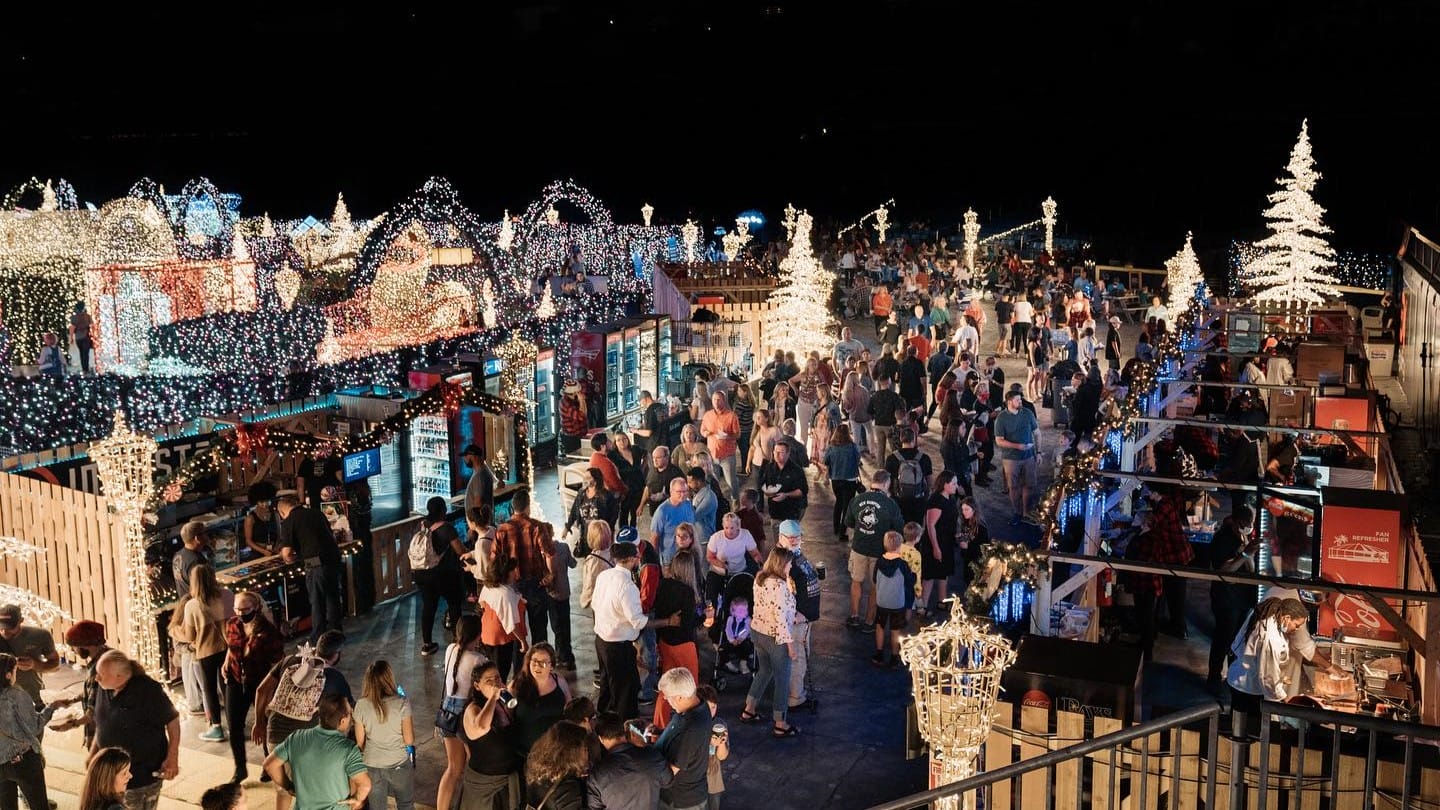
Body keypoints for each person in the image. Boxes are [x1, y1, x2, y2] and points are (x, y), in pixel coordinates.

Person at [592, 542, 682, 723]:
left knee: (607, 685)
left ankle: (603, 718)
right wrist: (668, 621)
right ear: (632, 559)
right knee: (625, 691)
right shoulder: (628, 587)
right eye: (637, 557)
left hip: (601, 641)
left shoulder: (604, 575)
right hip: (618, 647)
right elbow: (639, 621)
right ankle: (624, 726)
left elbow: (594, 604)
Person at [93, 651, 180, 810]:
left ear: (119, 676)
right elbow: (102, 722)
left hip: (141, 774)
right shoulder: (104, 686)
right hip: (110, 773)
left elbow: (172, 721)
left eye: (101, 674)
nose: (96, 678)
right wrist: (94, 752)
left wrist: (172, 757)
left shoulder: (148, 690)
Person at [1225, 597, 1314, 737]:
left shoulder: (1268, 617)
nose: (1296, 630)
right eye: (1296, 625)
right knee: (1248, 731)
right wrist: (1284, 698)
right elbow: (1267, 676)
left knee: (1239, 725)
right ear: (1287, 618)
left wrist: (1280, 678)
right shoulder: (1272, 639)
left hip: (1239, 677)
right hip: (1247, 688)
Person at [263, 695, 370, 810]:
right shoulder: (349, 749)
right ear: (342, 721)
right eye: (350, 713)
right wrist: (357, 799)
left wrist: (288, 786)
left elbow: (269, 765)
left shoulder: (296, 738)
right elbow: (365, 785)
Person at [220, 590, 284, 783]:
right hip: (235, 679)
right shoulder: (232, 624)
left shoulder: (268, 632)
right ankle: (240, 768)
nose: (241, 613)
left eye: (245, 609)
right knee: (234, 726)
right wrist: (226, 661)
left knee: (264, 724)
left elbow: (277, 662)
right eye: (237, 609)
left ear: (256, 607)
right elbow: (231, 646)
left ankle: (268, 764)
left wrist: (272, 688)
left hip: (259, 681)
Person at [739, 547, 799, 738]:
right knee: (782, 678)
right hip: (775, 637)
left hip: (758, 632)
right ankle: (780, 723)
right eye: (789, 563)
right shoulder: (780, 587)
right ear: (781, 564)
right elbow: (780, 619)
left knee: (765, 670)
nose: (791, 566)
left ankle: (749, 709)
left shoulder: (760, 578)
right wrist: (790, 646)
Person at [491, 489, 555, 646]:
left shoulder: (501, 530)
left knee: (516, 629)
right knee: (539, 629)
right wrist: (550, 574)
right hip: (536, 584)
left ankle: (521, 657)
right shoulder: (537, 527)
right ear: (528, 506)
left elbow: (493, 559)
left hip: (511, 585)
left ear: (513, 507)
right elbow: (549, 553)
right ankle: (540, 657)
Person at [276, 495, 344, 641]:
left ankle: (318, 636)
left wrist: (290, 559)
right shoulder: (316, 512)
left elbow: (287, 553)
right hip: (333, 557)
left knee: (317, 600)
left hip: (314, 562)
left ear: (281, 512)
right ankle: (336, 631)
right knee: (332, 597)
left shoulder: (288, 522)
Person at [1207, 506, 1259, 692]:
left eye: (1251, 524)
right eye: (1246, 524)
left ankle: (1231, 677)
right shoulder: (1223, 539)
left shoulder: (1244, 538)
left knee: (1236, 641)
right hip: (1227, 600)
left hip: (1242, 600)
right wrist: (1245, 554)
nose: (1249, 527)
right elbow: (1225, 571)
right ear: (1237, 522)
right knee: (1223, 638)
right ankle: (1214, 677)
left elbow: (1251, 567)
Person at [845, 470, 903, 631]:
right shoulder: (890, 504)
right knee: (875, 586)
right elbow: (898, 528)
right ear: (886, 484)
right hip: (879, 551)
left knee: (856, 581)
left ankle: (854, 616)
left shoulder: (857, 499)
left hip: (859, 547)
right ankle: (869, 622)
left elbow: (849, 522)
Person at [352, 661, 414, 810]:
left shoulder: (361, 705)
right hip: (399, 763)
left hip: (372, 765)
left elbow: (360, 742)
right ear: (390, 678)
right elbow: (409, 740)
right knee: (406, 805)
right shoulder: (402, 703)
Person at [459, 661, 520, 810]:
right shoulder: (473, 708)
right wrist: (493, 697)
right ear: (477, 685)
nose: (495, 684)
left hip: (506, 780)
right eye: (489, 681)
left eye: (497, 678)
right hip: (484, 783)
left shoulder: (501, 704)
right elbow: (481, 726)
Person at [774, 521, 821, 715]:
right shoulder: (782, 560)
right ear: (781, 538)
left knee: (801, 657)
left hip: (805, 618)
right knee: (796, 658)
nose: (794, 540)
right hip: (797, 620)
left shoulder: (796, 554)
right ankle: (795, 697)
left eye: (797, 537)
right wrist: (794, 613)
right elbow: (779, 590)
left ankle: (796, 692)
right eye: (790, 537)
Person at [182, 564, 233, 742]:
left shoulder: (191, 605)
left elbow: (190, 636)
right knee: (228, 687)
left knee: (209, 689)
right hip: (228, 649)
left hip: (206, 651)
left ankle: (216, 727)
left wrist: (175, 631)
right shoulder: (227, 595)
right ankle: (234, 725)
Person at [652, 549, 702, 729]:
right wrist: (704, 617)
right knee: (690, 686)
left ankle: (659, 725)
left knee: (667, 686)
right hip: (684, 645)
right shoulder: (687, 592)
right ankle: (691, 727)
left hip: (665, 642)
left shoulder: (663, 585)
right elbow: (687, 624)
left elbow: (658, 613)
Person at [411, 496, 467, 656]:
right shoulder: (447, 528)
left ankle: (427, 644)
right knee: (454, 604)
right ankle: (458, 641)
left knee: (429, 607)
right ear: (443, 510)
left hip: (421, 573)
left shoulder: (422, 526)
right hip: (443, 574)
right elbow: (460, 551)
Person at [587, 712, 673, 810]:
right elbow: (667, 780)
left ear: (601, 739)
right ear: (623, 731)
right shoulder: (651, 755)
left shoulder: (597, 774)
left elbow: (594, 807)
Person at [655, 668, 714, 810]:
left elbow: (670, 773)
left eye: (668, 696)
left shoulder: (692, 728)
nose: (665, 699)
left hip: (680, 800)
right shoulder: (698, 705)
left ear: (680, 697)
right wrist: (662, 734)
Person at [0, 653, 52, 810]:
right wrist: (52, 708)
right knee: (39, 805)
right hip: (24, 761)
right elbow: (34, 727)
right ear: (8, 675)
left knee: (7, 806)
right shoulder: (16, 695)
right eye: (15, 671)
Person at [993, 390, 1040, 525]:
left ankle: (1026, 512)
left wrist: (1039, 452)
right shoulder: (1001, 418)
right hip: (1011, 458)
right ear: (1009, 402)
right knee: (1013, 487)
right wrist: (1017, 446)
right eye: (1017, 400)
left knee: (1029, 485)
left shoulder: (1027, 413)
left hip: (1029, 456)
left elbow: (1037, 433)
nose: (1020, 402)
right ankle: (1017, 512)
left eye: (1020, 399)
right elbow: (999, 441)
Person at [524, 721, 593, 810]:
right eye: (584, 748)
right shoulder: (567, 787)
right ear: (573, 753)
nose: (587, 752)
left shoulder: (535, 765)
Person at [0, 605, 57, 712]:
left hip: (33, 698)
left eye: (10, 627)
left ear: (21, 621)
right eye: (1, 627)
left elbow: (55, 664)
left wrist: (34, 664)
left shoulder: (40, 636)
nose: (4, 631)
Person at [872, 533, 917, 668]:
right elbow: (909, 582)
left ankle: (879, 654)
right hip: (897, 603)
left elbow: (874, 579)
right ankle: (894, 657)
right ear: (899, 546)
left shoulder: (879, 562)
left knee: (880, 627)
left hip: (882, 601)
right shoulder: (902, 565)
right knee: (895, 630)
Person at [919, 472, 960, 618]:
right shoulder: (936, 501)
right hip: (935, 543)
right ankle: (922, 607)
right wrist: (936, 548)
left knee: (943, 573)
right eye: (953, 483)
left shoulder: (950, 498)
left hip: (947, 542)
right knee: (929, 576)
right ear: (945, 484)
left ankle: (942, 602)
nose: (956, 486)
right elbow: (930, 526)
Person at [705, 513, 761, 604]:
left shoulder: (745, 534)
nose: (729, 531)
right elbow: (709, 557)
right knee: (713, 592)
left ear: (738, 526)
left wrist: (758, 562)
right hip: (719, 572)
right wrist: (721, 564)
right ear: (723, 526)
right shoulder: (716, 537)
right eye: (726, 528)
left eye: (732, 528)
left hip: (740, 570)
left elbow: (755, 553)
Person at [885, 428, 933, 526]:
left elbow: (887, 481)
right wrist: (926, 496)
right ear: (914, 439)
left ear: (901, 439)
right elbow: (930, 482)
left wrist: (890, 496)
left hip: (898, 500)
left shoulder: (891, 458)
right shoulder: (924, 458)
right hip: (918, 500)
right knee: (917, 527)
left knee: (900, 526)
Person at [758, 441, 807, 535]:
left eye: (781, 452)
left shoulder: (796, 470)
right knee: (777, 540)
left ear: (788, 454)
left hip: (791, 512)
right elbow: (763, 484)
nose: (777, 455)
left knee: (790, 539)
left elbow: (802, 490)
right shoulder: (769, 468)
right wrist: (767, 491)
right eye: (775, 451)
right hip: (775, 512)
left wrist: (786, 495)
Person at [701, 391, 741, 500]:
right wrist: (705, 433)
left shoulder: (731, 416)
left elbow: (737, 434)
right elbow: (702, 430)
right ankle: (717, 502)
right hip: (712, 454)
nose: (716, 402)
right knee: (714, 482)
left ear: (724, 400)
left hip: (727, 454)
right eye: (714, 399)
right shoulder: (707, 415)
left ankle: (735, 502)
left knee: (731, 481)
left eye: (719, 399)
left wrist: (727, 436)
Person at [563, 469, 618, 545]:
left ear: (596, 480)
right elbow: (574, 512)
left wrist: (608, 530)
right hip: (584, 535)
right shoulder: (581, 494)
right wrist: (567, 528)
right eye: (584, 477)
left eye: (588, 478)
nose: (585, 479)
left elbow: (614, 513)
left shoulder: (606, 496)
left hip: (600, 536)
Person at [651, 476, 696, 565]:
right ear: (671, 491)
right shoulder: (662, 511)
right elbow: (654, 538)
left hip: (687, 558)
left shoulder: (688, 505)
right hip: (670, 560)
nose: (682, 495)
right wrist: (655, 562)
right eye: (679, 492)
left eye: (685, 491)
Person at [609, 432, 647, 528]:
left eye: (624, 439)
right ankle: (624, 532)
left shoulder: (635, 449)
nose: (622, 442)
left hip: (638, 486)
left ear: (628, 439)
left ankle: (633, 532)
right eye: (618, 440)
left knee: (635, 513)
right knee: (624, 512)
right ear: (615, 443)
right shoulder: (612, 455)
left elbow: (646, 454)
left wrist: (643, 468)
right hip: (624, 488)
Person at [579, 521, 615, 614]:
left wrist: (585, 600)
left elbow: (589, 585)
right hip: (613, 600)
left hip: (599, 603)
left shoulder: (592, 561)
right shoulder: (614, 553)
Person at [642, 446, 688, 520]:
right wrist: (641, 505)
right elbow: (647, 488)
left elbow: (684, 493)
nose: (655, 460)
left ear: (666, 457)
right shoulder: (652, 470)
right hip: (654, 512)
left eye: (658, 458)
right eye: (653, 457)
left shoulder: (675, 473)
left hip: (671, 513)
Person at [461, 444, 496, 516]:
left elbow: (478, 502)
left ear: (474, 456)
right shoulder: (484, 471)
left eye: (466, 455)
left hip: (478, 521)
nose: (464, 458)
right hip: (485, 519)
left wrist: (476, 521)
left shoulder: (478, 476)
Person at [688, 468, 719, 543]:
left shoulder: (709, 497)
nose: (688, 485)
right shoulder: (697, 493)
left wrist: (688, 499)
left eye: (690, 482)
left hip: (704, 539)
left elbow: (693, 517)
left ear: (698, 482)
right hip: (696, 537)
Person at [71, 300, 94, 375]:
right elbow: (92, 325)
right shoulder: (87, 316)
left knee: (81, 353)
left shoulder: (74, 317)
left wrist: (71, 337)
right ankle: (86, 369)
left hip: (78, 337)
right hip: (86, 336)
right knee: (85, 353)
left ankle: (84, 369)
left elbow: (72, 328)